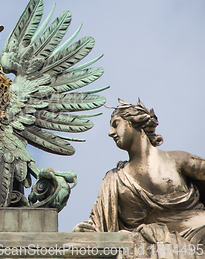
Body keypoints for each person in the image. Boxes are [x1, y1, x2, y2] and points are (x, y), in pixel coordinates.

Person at [74, 99, 205, 246]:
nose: (110, 133)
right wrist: (82, 231)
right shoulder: (114, 180)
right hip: (148, 246)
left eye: (115, 124)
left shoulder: (176, 160)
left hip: (199, 234)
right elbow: (98, 226)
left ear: (134, 121)